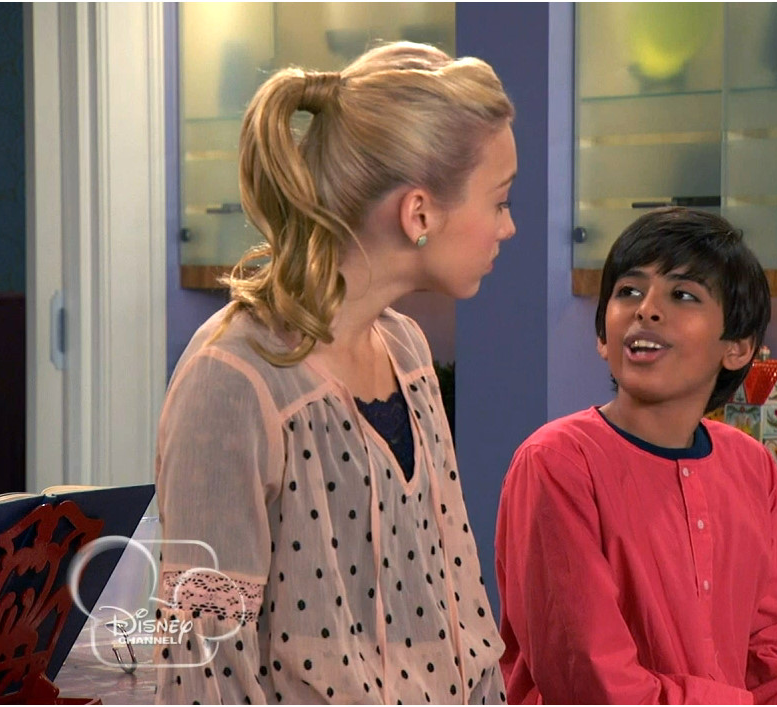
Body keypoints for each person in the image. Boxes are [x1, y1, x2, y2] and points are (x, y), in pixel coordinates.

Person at [153, 41, 517, 705]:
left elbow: (459, 606)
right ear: (419, 213)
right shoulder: (231, 381)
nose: (509, 226)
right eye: (499, 201)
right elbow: (205, 667)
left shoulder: (407, 351)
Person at [494, 207, 777, 705]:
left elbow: (768, 662)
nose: (646, 310)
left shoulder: (753, 466)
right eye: (629, 291)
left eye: (683, 295)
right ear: (602, 336)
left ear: (738, 348)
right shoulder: (557, 463)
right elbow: (592, 682)